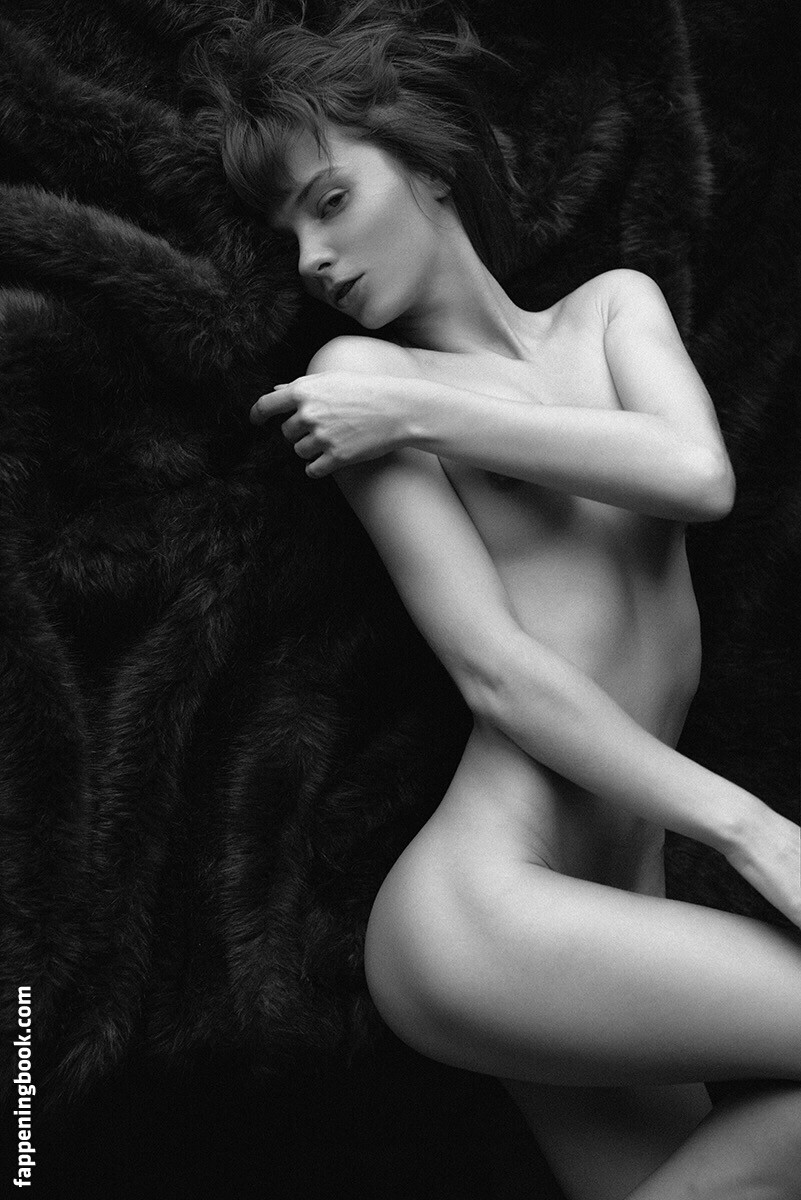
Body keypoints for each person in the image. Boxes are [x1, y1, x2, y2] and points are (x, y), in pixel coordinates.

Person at [196, 3, 801, 1196]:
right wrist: (752, 830)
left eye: (330, 201)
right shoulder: (358, 380)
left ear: (428, 164)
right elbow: (496, 673)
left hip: (606, 897)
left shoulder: (611, 310)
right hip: (485, 907)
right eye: (288, 236)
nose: (311, 257)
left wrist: (426, 414)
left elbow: (697, 475)